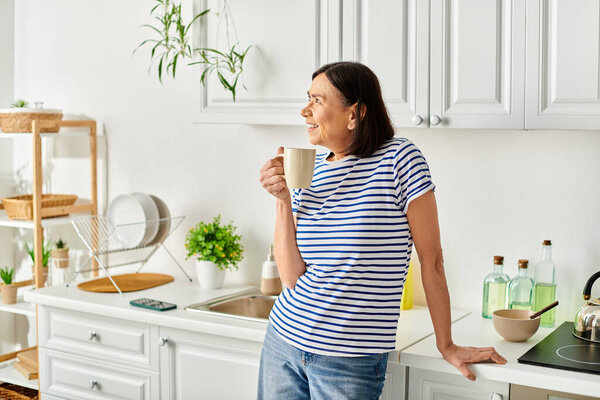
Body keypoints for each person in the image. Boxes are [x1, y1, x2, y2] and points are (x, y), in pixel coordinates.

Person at [258, 61, 506, 400]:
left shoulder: (398, 160)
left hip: (348, 359)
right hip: (283, 341)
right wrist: (283, 200)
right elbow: (291, 278)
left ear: (354, 113)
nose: (305, 111)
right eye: (308, 99)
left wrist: (445, 344)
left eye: (317, 100)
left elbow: (431, 259)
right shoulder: (308, 169)